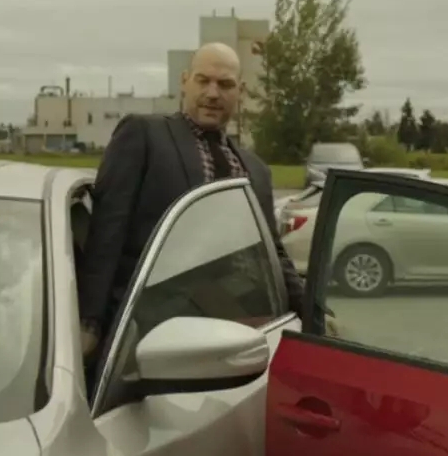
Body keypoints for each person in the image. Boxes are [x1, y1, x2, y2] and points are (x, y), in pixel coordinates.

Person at [76, 42, 307, 357]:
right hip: (152, 335)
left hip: (239, 335)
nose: (212, 93)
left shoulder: (257, 171)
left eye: (225, 84)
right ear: (185, 81)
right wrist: (90, 323)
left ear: (240, 92)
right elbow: (107, 232)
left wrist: (314, 314)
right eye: (203, 80)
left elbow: (273, 254)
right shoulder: (144, 135)